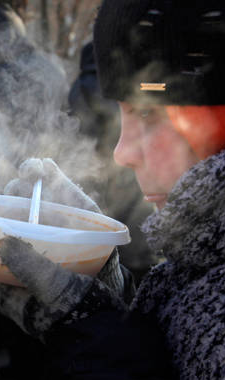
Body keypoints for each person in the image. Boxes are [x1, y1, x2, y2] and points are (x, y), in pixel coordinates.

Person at [0, 0, 225, 380]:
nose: (121, 152)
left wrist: (92, 341)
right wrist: (108, 302)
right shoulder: (206, 266)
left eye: (148, 113)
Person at [67, 41, 158, 281]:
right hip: (135, 196)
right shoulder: (129, 86)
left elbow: (79, 145)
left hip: (100, 197)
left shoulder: (80, 90)